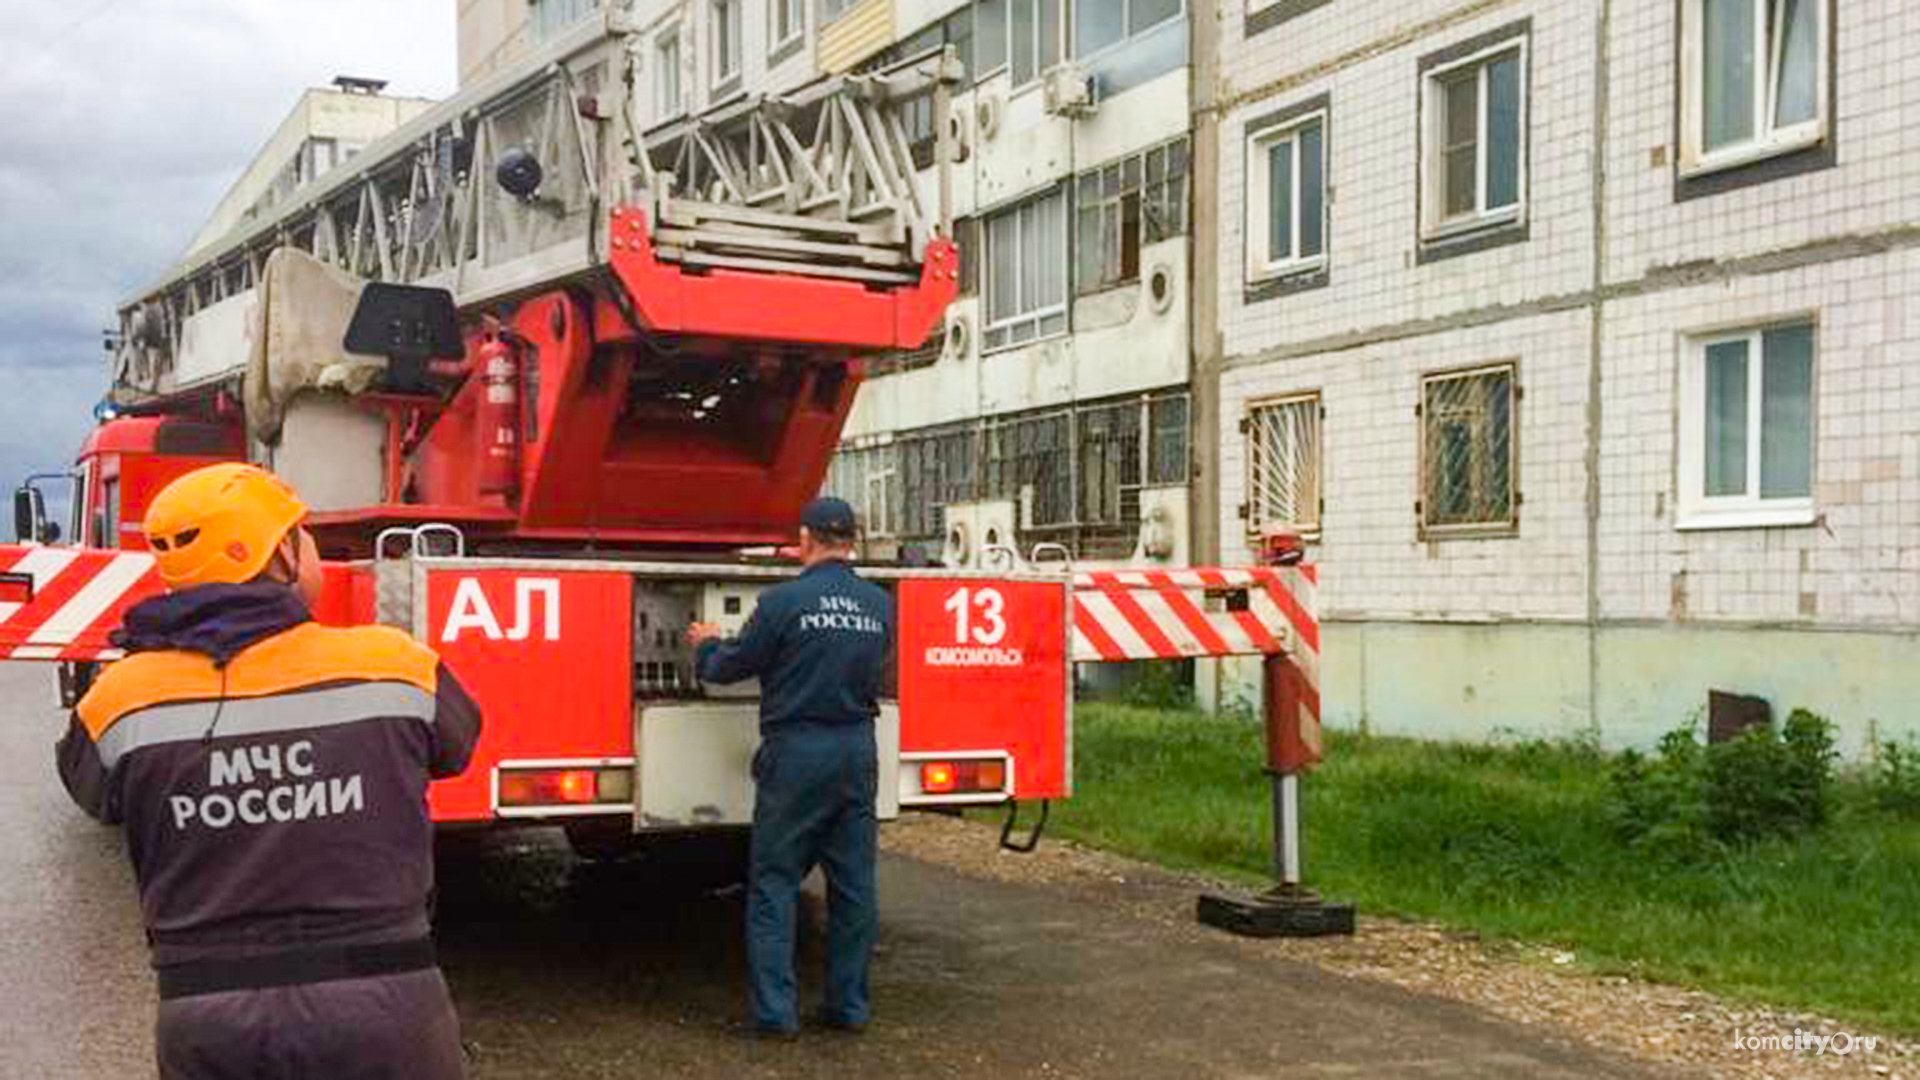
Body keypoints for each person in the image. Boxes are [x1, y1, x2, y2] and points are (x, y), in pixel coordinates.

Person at [55, 463, 483, 1079]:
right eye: (303, 535)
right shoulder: (394, 665)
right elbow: (457, 746)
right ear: (281, 552)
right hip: (386, 1007)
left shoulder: (119, 698)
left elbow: (94, 796)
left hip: (208, 1016)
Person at [689, 496, 893, 1039]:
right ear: (851, 539)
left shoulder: (783, 602)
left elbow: (732, 667)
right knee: (853, 887)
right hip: (856, 749)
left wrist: (707, 646)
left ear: (805, 539)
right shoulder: (878, 604)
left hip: (798, 751)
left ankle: (776, 1016)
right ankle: (848, 1007)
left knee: (775, 881)